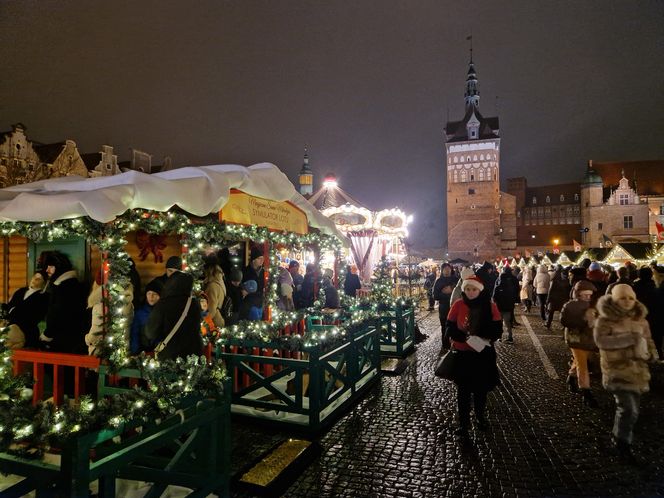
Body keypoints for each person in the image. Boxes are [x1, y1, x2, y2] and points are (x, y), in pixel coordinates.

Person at [594, 284, 658, 460]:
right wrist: (629, 340)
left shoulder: (641, 319)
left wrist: (652, 354)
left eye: (631, 298)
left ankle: (618, 436)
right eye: (623, 297)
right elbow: (601, 342)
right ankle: (623, 444)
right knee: (628, 409)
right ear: (614, 299)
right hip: (617, 371)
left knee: (632, 409)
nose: (628, 301)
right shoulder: (605, 320)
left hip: (638, 371)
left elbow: (648, 339)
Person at [445, 275, 502, 436]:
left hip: (482, 354)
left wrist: (483, 337)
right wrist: (462, 337)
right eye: (468, 289)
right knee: (463, 391)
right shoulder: (458, 304)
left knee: (480, 390)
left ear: (479, 290)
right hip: (463, 354)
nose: (470, 292)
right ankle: (463, 423)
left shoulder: (490, 306)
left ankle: (480, 416)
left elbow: (498, 330)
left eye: (474, 289)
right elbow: (449, 326)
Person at [143, 271, 202, 360]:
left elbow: (150, 332)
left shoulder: (163, 304)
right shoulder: (194, 303)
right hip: (194, 354)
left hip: (170, 355)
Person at [560, 280, 598, 406]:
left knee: (579, 360)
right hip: (575, 338)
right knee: (583, 365)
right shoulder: (570, 305)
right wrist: (582, 322)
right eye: (585, 295)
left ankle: (571, 377)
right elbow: (564, 321)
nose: (588, 297)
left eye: (589, 295)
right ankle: (586, 392)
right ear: (579, 294)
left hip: (588, 338)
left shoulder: (591, 305)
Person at [40, 251, 87, 353]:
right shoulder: (64, 284)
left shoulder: (65, 286)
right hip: (65, 338)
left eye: (51, 266)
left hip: (64, 340)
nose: (47, 269)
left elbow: (60, 313)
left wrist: (47, 335)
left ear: (60, 267)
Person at [2, 271, 48, 349]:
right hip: (9, 323)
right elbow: (10, 306)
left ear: (44, 283)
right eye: (35, 277)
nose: (35, 279)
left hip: (25, 328)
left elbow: (37, 316)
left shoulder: (44, 297)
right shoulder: (20, 291)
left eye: (39, 279)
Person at [130, 278, 162, 354]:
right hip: (142, 352)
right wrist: (135, 353)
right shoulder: (139, 313)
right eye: (149, 293)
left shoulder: (163, 313)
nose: (151, 297)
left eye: (155, 294)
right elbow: (135, 334)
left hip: (159, 352)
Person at [434, 263, 460, 351]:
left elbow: (461, 291)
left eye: (448, 268)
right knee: (444, 327)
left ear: (451, 269)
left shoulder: (456, 280)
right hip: (444, 308)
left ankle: (456, 345)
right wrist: (445, 294)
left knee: (456, 326)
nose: (447, 270)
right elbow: (435, 296)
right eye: (445, 269)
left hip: (455, 308)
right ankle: (445, 346)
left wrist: (452, 289)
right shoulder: (438, 281)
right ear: (442, 270)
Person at [492, 266, 520, 343]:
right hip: (509, 303)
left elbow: (495, 290)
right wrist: (514, 299)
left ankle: (499, 336)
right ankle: (510, 336)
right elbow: (517, 289)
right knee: (508, 321)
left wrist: (494, 300)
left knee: (499, 321)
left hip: (500, 304)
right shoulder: (514, 279)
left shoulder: (499, 278)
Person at [202, 253, 227, 328]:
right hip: (218, 321)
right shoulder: (219, 281)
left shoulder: (212, 286)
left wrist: (203, 324)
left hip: (213, 324)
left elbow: (211, 310)